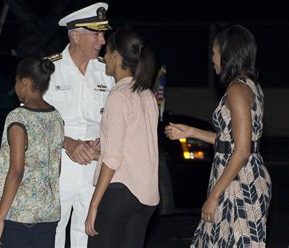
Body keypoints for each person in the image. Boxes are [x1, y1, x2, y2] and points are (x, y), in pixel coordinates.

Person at [165, 25, 271, 247]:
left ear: (227, 53)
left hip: (240, 181)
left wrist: (213, 196)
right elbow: (231, 141)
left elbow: (241, 150)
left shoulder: (237, 89)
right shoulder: (250, 85)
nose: (212, 59)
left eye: (214, 53)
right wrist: (191, 132)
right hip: (237, 175)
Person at [43, 2, 115, 247]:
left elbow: (115, 119)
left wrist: (102, 143)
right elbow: (36, 122)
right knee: (52, 231)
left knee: (87, 232)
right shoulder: (49, 69)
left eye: (103, 34)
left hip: (94, 164)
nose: (103, 41)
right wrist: (69, 142)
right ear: (75, 35)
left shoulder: (107, 71)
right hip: (59, 163)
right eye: (96, 33)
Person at [84, 27, 159, 248]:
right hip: (145, 197)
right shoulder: (147, 95)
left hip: (119, 194)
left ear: (116, 54)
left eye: (107, 51)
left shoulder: (118, 96)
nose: (104, 56)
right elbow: (136, 149)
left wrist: (94, 205)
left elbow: (113, 158)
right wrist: (100, 151)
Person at [0, 57, 64, 248]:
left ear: (24, 82)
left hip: (17, 214)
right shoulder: (57, 118)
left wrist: (0, 219)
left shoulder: (18, 117)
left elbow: (16, 171)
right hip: (48, 214)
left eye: (15, 81)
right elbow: (57, 167)